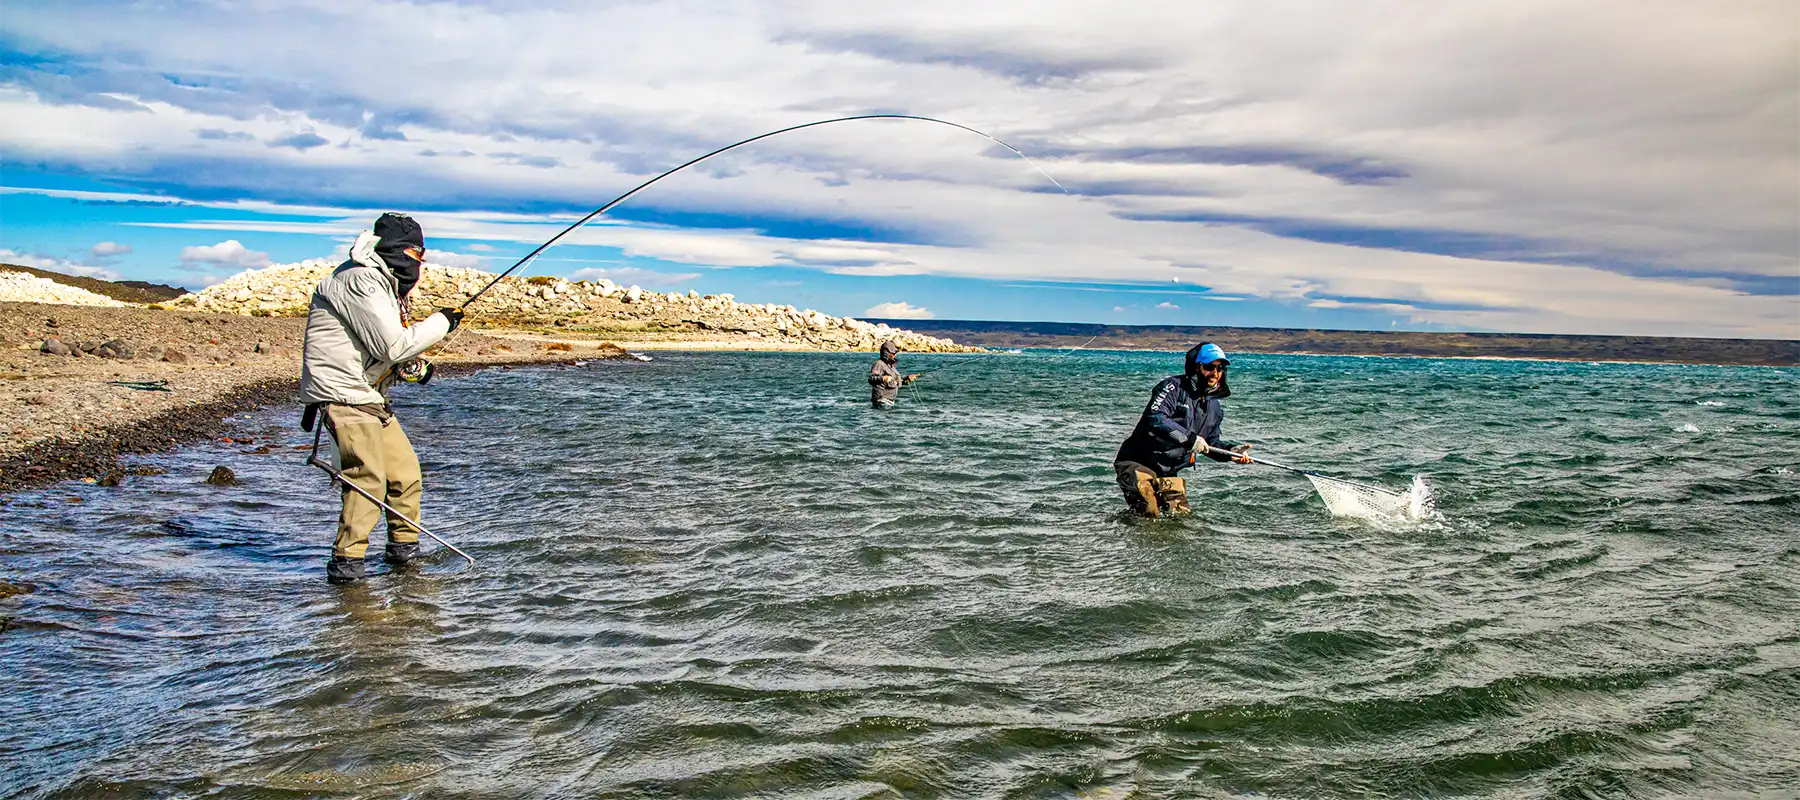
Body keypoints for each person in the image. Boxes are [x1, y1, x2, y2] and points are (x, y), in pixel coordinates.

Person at [299, 212, 465, 584]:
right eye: (415, 253)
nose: (419, 262)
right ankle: (347, 569)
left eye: (422, 255)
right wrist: (441, 322)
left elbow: (384, 348)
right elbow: (391, 346)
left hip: (368, 396)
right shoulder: (360, 280)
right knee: (367, 480)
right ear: (392, 248)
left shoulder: (382, 282)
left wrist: (412, 368)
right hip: (342, 396)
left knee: (405, 475)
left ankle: (405, 561)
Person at [1113, 342, 1252, 517]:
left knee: (1180, 518)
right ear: (1197, 367)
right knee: (1148, 511)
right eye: (1209, 367)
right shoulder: (1172, 387)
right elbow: (1155, 418)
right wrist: (1189, 439)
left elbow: (1210, 444)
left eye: (1220, 368)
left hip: (1169, 470)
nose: (1215, 373)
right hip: (1136, 462)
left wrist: (1231, 452)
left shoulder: (1214, 407)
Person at [868, 340, 920, 409]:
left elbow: (896, 381)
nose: (894, 355)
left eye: (895, 353)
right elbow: (871, 378)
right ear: (886, 353)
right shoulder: (879, 364)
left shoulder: (891, 367)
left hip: (890, 402)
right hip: (881, 401)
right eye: (893, 353)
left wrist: (907, 379)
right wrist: (883, 378)